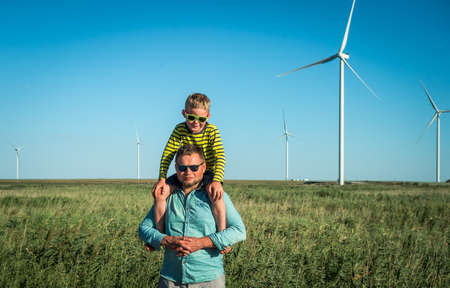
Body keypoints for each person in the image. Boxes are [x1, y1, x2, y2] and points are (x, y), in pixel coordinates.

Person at [139, 144, 246, 287]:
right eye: (182, 168)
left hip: (208, 280)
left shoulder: (216, 195)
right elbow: (143, 228)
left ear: (203, 167)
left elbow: (239, 231)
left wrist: (202, 242)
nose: (188, 172)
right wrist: (165, 239)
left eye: (194, 167)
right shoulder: (166, 197)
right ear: (176, 168)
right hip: (171, 279)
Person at [152, 93, 226, 235]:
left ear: (208, 117)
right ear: (184, 113)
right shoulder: (179, 129)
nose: (196, 122)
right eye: (191, 117)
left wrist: (217, 180)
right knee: (160, 194)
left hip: (208, 172)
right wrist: (162, 178)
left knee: (215, 196)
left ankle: (222, 233)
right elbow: (168, 153)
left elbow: (220, 157)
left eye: (201, 119)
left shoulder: (212, 131)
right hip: (185, 171)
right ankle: (159, 235)